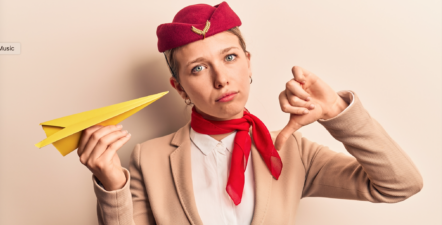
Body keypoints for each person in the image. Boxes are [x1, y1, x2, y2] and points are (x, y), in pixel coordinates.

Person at [77, 2, 423, 225]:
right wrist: (112, 183)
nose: (222, 78)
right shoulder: (148, 158)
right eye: (198, 68)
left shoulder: (292, 150)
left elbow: (400, 185)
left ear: (248, 62)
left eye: (230, 57)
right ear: (179, 87)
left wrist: (336, 112)